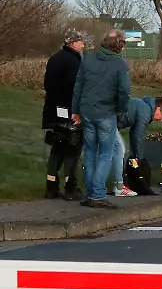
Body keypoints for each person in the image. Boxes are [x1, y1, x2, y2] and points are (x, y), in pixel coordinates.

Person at [71, 29, 131, 209]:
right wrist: (121, 109)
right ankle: (98, 194)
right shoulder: (120, 65)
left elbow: (78, 86)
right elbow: (124, 91)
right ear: (120, 45)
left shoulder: (88, 59)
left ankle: (91, 193)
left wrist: (75, 110)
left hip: (87, 112)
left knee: (89, 153)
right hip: (106, 113)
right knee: (106, 154)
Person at [42, 29, 86, 200]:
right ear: (73, 42)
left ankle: (51, 187)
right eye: (81, 42)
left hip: (53, 110)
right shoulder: (75, 62)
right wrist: (77, 111)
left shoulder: (54, 58)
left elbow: (48, 85)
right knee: (72, 149)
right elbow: (74, 88)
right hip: (69, 110)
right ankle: (70, 188)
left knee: (57, 147)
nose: (83, 45)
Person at [109, 96, 162, 197]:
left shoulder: (144, 106)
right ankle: (119, 186)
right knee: (120, 149)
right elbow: (137, 136)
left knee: (108, 152)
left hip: (109, 120)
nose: (161, 120)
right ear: (158, 108)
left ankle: (101, 187)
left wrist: (136, 155)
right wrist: (140, 158)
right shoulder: (146, 113)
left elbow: (133, 133)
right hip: (109, 121)